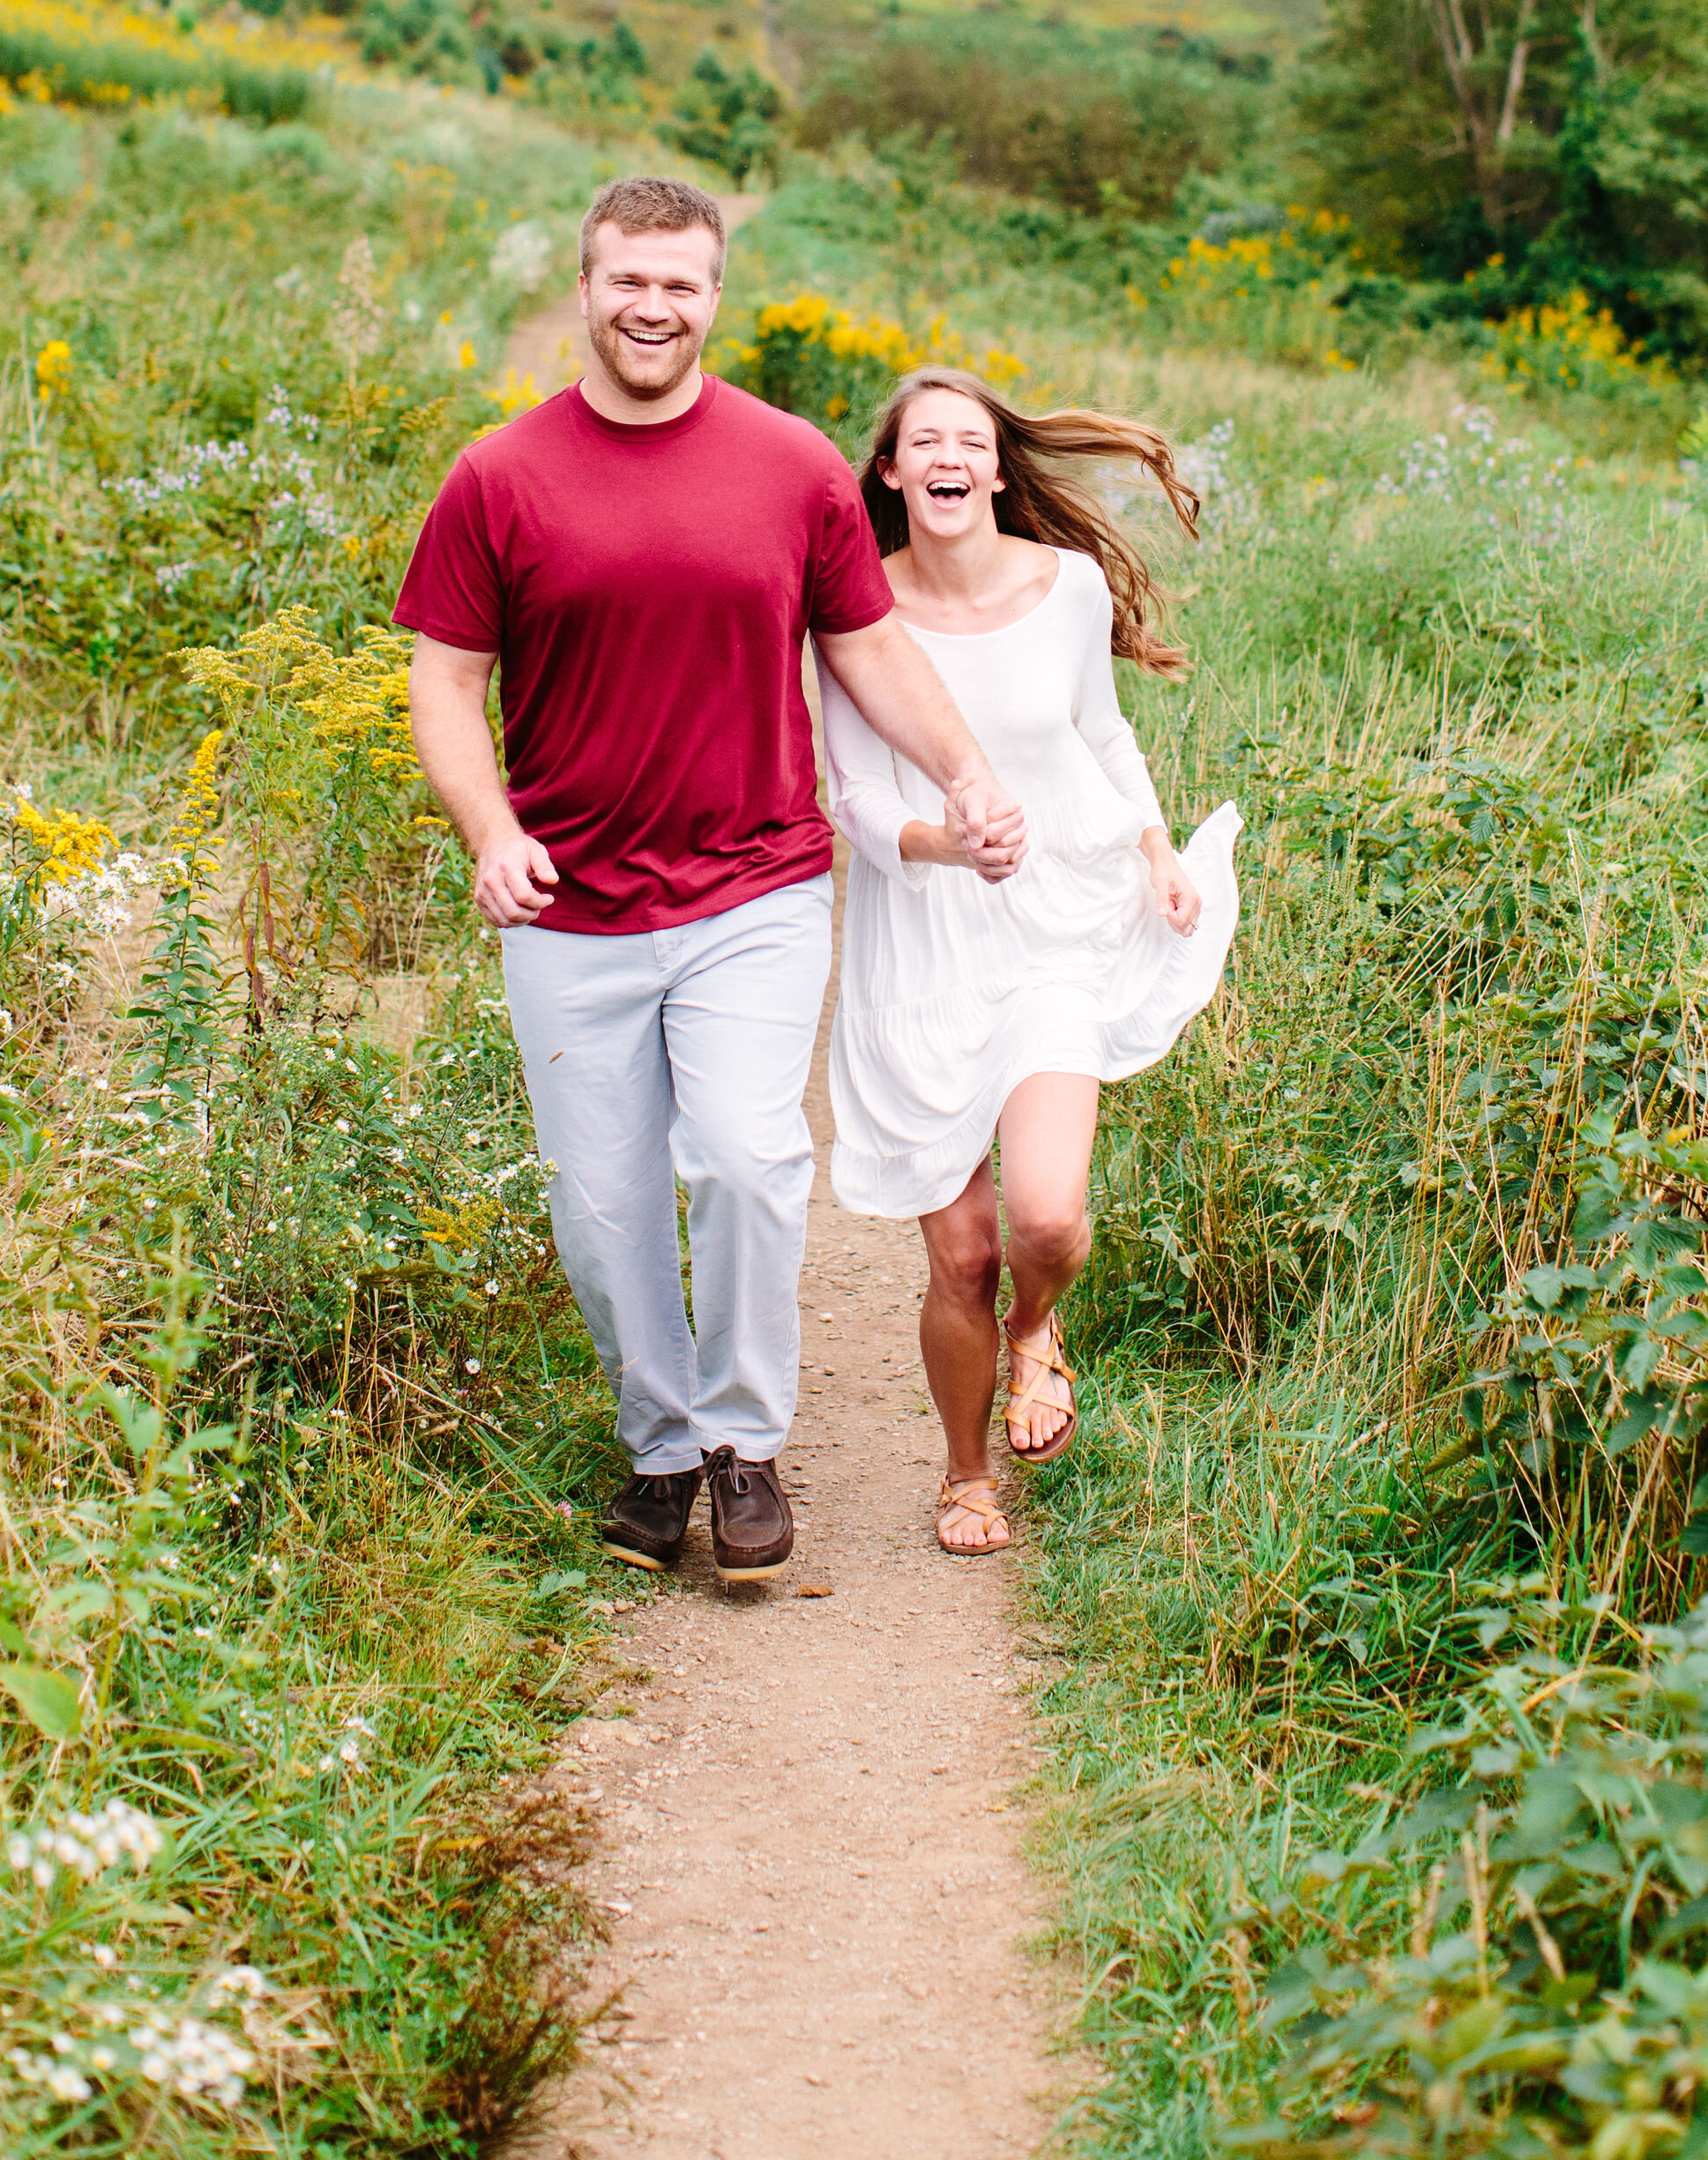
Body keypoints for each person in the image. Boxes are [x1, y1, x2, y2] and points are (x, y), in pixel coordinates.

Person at [396, 179, 1026, 1583]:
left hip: (756, 885)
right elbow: (446, 680)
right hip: (568, 902)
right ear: (585, 289)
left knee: (747, 1159)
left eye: (681, 285)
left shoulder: (793, 465)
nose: (652, 308)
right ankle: (659, 1447)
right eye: (629, 281)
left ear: (715, 298)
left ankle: (744, 1443)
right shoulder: (498, 478)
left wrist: (966, 771)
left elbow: (867, 647)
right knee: (602, 1202)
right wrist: (488, 830)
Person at [820, 367, 1242, 1558]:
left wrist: (1156, 850)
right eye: (922, 443)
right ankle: (965, 1475)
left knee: (1045, 1225)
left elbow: (1099, 731)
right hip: (927, 943)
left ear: (999, 471)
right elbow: (849, 798)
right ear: (894, 475)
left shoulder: (1068, 587)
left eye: (972, 441)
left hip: (1059, 920)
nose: (949, 457)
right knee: (961, 1248)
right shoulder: (856, 614)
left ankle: (1038, 1329)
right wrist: (945, 841)